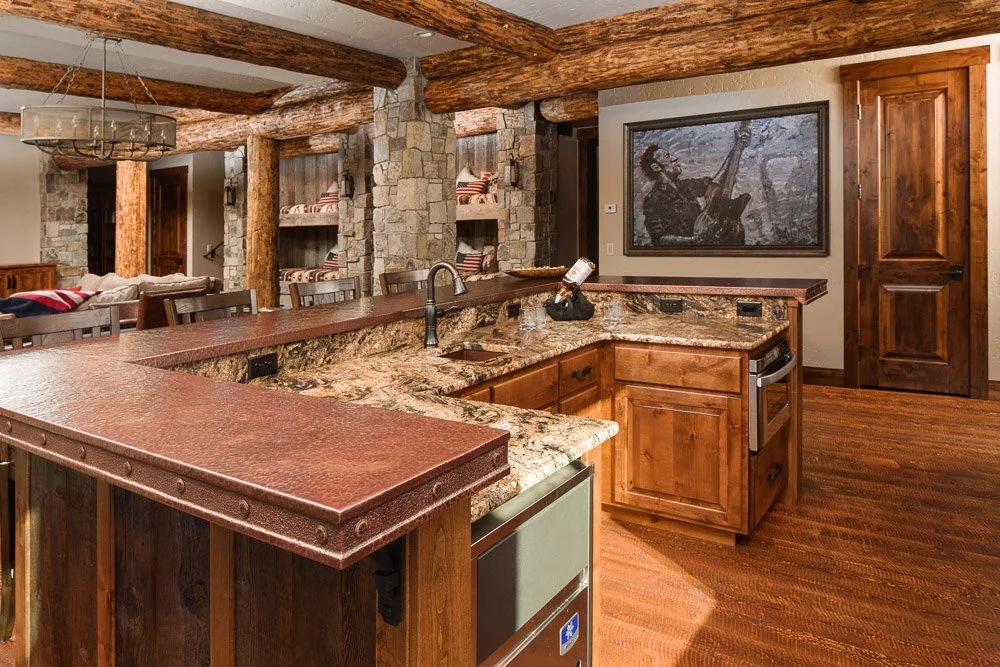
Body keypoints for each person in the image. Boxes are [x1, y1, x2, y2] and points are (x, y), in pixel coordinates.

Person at [639, 145, 714, 242]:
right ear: (656, 167)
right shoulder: (653, 201)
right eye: (667, 156)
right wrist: (693, 241)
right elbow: (659, 238)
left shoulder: (684, 185)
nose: (675, 158)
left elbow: (708, 183)